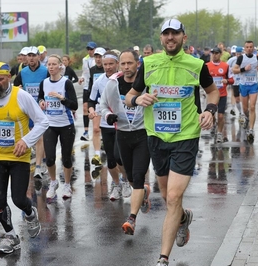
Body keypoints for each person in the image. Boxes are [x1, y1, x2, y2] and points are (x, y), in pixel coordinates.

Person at [125, 18, 219, 266]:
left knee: (174, 196)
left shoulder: (196, 64)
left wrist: (209, 110)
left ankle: (162, 259)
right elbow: (129, 96)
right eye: (166, 34)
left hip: (186, 137)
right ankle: (183, 218)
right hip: (157, 138)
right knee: (168, 197)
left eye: (175, 34)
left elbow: (213, 91)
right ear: (161, 38)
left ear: (183, 38)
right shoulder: (149, 64)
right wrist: (138, 100)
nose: (170, 38)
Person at [0, 62, 49, 254]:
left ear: (9, 78)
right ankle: (12, 236)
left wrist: (26, 140)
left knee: (18, 199)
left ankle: (31, 214)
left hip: (19, 157)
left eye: (0, 79)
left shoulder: (21, 96)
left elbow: (43, 121)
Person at [100, 49, 151, 235]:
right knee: (129, 177)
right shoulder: (113, 83)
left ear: (138, 63)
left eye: (130, 63)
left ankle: (132, 218)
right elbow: (102, 104)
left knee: (138, 177)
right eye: (123, 63)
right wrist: (108, 115)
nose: (127, 67)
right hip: (122, 133)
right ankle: (143, 193)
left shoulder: (146, 82)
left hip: (143, 133)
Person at [88, 49, 131, 200]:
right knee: (111, 159)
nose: (108, 67)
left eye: (111, 64)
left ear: (117, 64)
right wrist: (92, 110)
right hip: (107, 124)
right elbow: (92, 100)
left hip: (122, 124)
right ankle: (117, 184)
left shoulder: (123, 78)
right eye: (105, 64)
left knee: (120, 158)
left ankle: (125, 180)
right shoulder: (99, 81)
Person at [38, 54, 78, 199]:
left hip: (66, 125)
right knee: (49, 158)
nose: (51, 67)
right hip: (50, 125)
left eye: (54, 64)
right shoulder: (44, 82)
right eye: (49, 64)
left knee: (66, 159)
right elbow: (40, 97)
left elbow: (75, 105)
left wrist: (61, 98)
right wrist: (41, 101)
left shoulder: (66, 83)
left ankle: (67, 184)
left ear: (60, 66)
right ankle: (53, 182)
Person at [13, 46, 49, 179]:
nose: (31, 58)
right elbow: (14, 88)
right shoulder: (22, 73)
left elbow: (52, 84)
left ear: (39, 56)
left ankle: (38, 167)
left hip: (40, 110)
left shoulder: (45, 71)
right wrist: (18, 89)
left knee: (39, 138)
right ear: (25, 57)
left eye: (34, 55)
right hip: (26, 110)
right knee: (28, 139)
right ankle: (39, 161)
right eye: (29, 55)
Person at [232, 40, 258, 144]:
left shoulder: (256, 58)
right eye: (247, 47)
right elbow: (234, 70)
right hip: (244, 85)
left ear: (253, 48)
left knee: (252, 107)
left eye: (251, 47)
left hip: (253, 85)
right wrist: (244, 69)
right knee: (245, 109)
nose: (249, 48)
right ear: (244, 48)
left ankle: (251, 129)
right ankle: (247, 118)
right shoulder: (241, 58)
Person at [207, 47, 234, 143]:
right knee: (212, 115)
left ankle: (219, 134)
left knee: (221, 116)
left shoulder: (226, 66)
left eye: (216, 53)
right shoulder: (207, 66)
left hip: (222, 94)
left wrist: (226, 80)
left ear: (220, 54)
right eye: (213, 53)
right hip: (211, 95)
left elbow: (232, 79)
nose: (214, 55)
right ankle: (214, 125)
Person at [78, 41, 97, 141]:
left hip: (95, 86)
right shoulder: (85, 60)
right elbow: (84, 73)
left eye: (91, 49)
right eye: (88, 49)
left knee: (96, 109)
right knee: (85, 108)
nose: (90, 51)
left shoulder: (98, 59)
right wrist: (81, 78)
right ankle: (86, 131)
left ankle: (97, 131)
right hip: (86, 87)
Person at [227, 46, 243, 122]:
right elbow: (226, 68)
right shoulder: (232, 60)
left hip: (243, 82)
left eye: (240, 54)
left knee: (243, 98)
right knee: (237, 99)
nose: (239, 55)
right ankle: (239, 111)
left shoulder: (245, 59)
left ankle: (243, 113)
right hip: (235, 81)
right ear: (235, 53)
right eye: (237, 53)